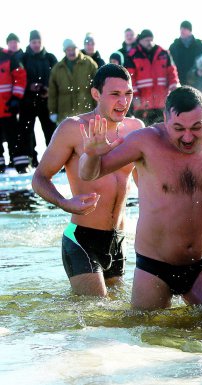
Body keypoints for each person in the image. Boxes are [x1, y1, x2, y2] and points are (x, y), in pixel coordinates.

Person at [78, 86, 202, 310]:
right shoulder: (145, 141)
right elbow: (90, 173)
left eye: (196, 127)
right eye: (179, 128)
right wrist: (91, 155)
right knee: (145, 334)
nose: (188, 136)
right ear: (165, 119)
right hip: (153, 268)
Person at [32, 64, 144, 296]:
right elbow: (39, 178)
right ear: (96, 94)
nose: (123, 102)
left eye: (128, 94)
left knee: (115, 316)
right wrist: (65, 203)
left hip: (118, 240)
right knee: (94, 314)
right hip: (82, 239)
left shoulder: (136, 129)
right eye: (115, 94)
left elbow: (145, 183)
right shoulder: (73, 128)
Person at [20, 30, 58, 167]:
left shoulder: (50, 58)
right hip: (28, 101)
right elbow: (18, 77)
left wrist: (48, 89)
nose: (36, 45)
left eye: (38, 42)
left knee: (51, 132)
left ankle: (54, 161)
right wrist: (29, 86)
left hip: (46, 101)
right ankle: (31, 160)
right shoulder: (23, 58)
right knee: (27, 132)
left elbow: (57, 78)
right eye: (34, 42)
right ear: (29, 43)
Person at [126, 29, 180, 126]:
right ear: (140, 41)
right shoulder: (132, 55)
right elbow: (130, 78)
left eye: (151, 40)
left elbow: (172, 71)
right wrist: (135, 96)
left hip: (162, 103)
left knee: (163, 132)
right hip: (142, 104)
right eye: (147, 40)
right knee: (144, 132)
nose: (150, 43)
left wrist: (174, 84)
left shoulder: (164, 53)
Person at [48, 39, 98, 125]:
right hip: (65, 114)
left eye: (73, 49)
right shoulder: (58, 68)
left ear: (78, 49)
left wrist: (98, 107)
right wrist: (53, 111)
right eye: (68, 49)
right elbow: (52, 92)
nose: (71, 52)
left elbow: (97, 86)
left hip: (86, 111)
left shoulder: (89, 64)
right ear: (65, 51)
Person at [0, 43, 27, 173]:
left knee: (14, 137)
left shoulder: (7, 56)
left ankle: (21, 165)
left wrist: (16, 97)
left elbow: (20, 76)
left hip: (7, 106)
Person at [169, 20, 202, 86]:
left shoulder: (199, 46)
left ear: (190, 30)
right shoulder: (174, 46)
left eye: (185, 28)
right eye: (181, 28)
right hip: (179, 81)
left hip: (196, 81)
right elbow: (170, 64)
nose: (182, 31)